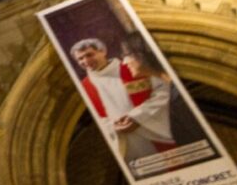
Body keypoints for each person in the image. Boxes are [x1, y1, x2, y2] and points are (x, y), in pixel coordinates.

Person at [70, 37, 175, 168]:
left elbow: (163, 90)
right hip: (124, 142)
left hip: (153, 132)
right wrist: (114, 126)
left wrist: (137, 117)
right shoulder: (85, 86)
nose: (85, 61)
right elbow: (95, 119)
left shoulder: (133, 67)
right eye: (80, 59)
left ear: (103, 51)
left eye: (89, 55)